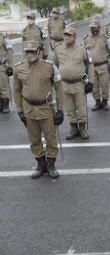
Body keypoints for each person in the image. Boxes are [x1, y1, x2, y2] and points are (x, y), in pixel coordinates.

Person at [13, 41, 65, 179]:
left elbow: (59, 89)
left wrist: (60, 110)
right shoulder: (19, 68)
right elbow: (17, 91)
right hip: (28, 109)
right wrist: (19, 110)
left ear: (38, 51)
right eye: (27, 51)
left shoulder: (50, 67)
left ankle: (51, 164)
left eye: (32, 51)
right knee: (34, 139)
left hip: (46, 108)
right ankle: (41, 164)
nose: (29, 54)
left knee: (51, 138)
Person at [53, 27, 95, 140]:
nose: (67, 37)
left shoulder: (82, 49)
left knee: (80, 107)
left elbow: (90, 65)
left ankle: (82, 127)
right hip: (64, 84)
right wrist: (53, 82)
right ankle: (73, 128)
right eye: (65, 35)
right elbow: (53, 67)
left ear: (74, 36)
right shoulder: (58, 49)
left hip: (78, 83)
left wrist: (90, 82)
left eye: (69, 35)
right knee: (69, 108)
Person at [83, 20, 110, 111]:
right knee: (94, 86)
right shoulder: (86, 39)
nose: (94, 30)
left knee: (104, 85)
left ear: (99, 28)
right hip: (91, 67)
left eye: (96, 28)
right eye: (92, 28)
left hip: (103, 65)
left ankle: (104, 102)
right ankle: (97, 102)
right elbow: (83, 53)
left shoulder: (105, 37)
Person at [0, 32, 13, 113]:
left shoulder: (4, 37)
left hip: (1, 66)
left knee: (3, 86)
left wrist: (10, 66)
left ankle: (5, 104)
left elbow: (10, 51)